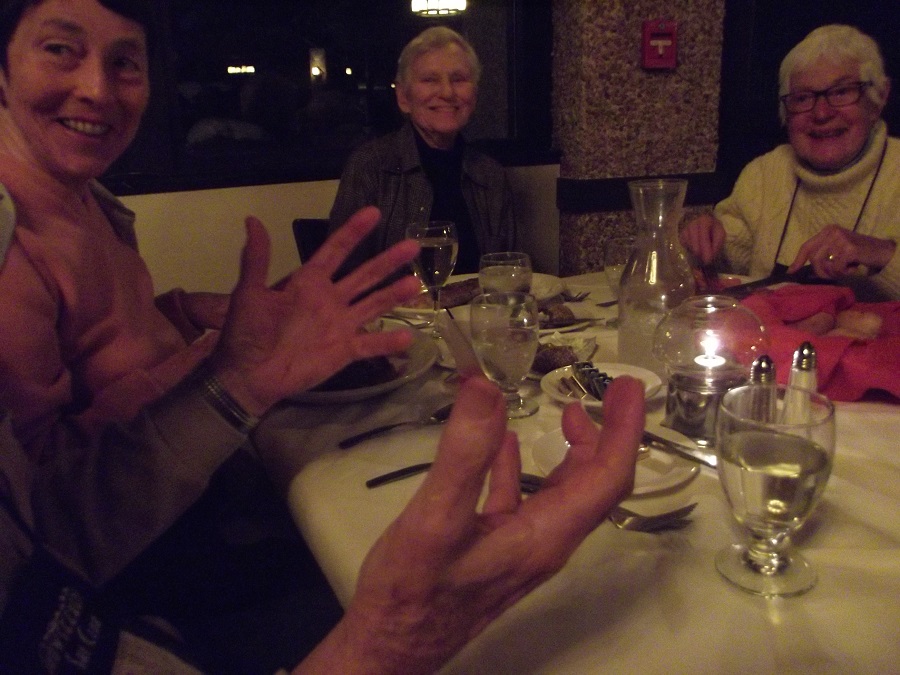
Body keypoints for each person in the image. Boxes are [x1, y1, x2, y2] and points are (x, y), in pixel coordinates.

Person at [0, 207, 649, 672]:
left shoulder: (91, 214)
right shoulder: (22, 252)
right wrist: (382, 645)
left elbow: (49, 530)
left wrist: (234, 385)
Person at [680, 24, 900, 301]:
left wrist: (881, 253)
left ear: (879, 98)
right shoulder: (764, 174)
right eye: (803, 98)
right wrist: (701, 239)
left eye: (842, 92)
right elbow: (724, 261)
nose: (821, 113)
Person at [328, 26, 517, 276]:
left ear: (474, 95)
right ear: (403, 98)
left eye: (458, 79)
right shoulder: (371, 167)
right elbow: (344, 276)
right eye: (430, 80)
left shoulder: (490, 176)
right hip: (398, 303)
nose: (447, 92)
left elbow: (505, 275)